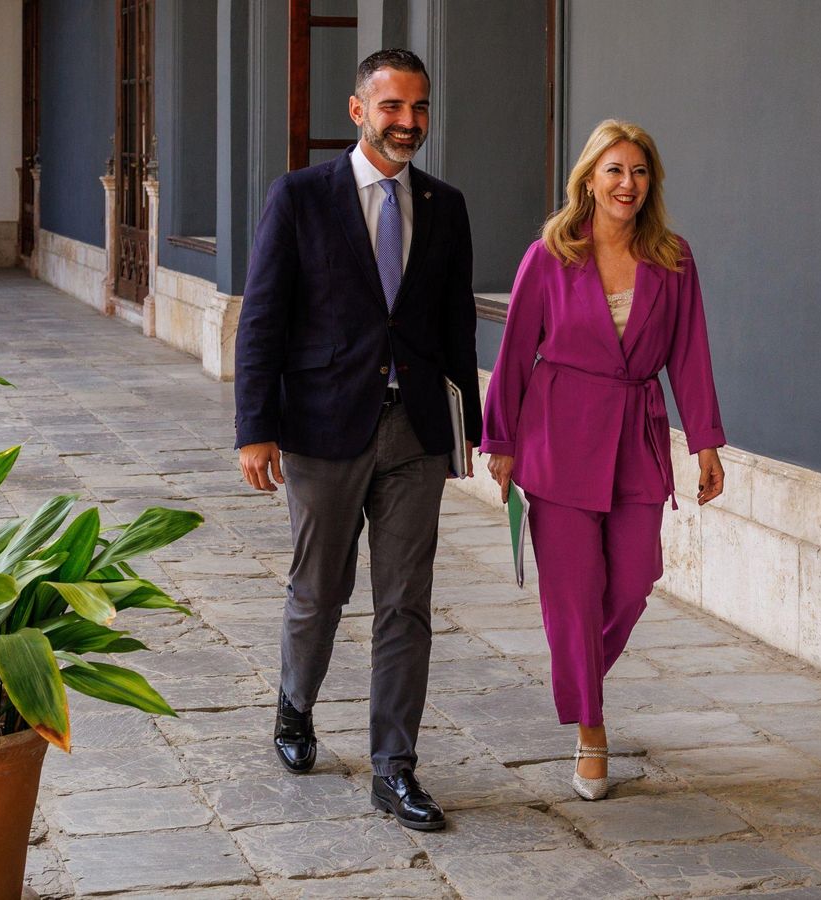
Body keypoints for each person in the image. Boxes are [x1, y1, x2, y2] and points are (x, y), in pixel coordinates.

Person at [233, 48, 481, 832]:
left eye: (420, 108)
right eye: (393, 107)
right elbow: (263, 318)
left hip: (415, 437)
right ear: (358, 110)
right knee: (320, 591)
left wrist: (466, 434)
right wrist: (254, 430)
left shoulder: (446, 205)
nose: (408, 123)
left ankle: (394, 767)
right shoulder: (301, 197)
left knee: (405, 604)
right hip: (320, 429)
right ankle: (294, 707)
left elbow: (454, 328)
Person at [480, 119, 726, 801]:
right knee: (571, 595)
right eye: (614, 170)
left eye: (640, 172)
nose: (627, 184)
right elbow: (514, 354)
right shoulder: (550, 255)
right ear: (589, 178)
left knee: (635, 577)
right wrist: (499, 440)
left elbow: (691, 355)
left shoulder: (673, 258)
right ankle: (591, 726)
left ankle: (577, 672)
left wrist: (704, 441)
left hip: (636, 436)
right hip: (557, 438)